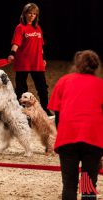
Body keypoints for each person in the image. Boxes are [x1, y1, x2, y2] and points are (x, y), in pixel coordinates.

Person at [48, 50, 103, 199]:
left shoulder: (64, 81)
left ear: (77, 64)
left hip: (68, 139)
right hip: (92, 141)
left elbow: (57, 115)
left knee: (70, 184)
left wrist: (63, 134)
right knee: (88, 185)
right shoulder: (101, 85)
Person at [7, 3, 53, 116]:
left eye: (34, 14)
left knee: (42, 88)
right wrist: (12, 53)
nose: (32, 16)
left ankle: (45, 109)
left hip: (37, 62)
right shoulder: (20, 27)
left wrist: (43, 57)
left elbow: (40, 46)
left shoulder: (37, 28)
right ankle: (22, 111)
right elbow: (16, 43)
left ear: (36, 15)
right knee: (21, 88)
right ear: (25, 14)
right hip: (23, 62)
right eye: (30, 13)